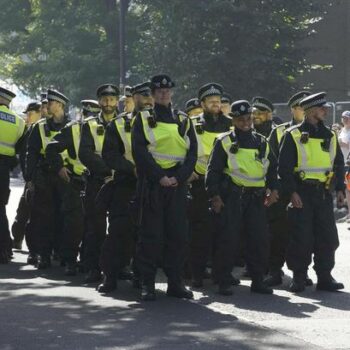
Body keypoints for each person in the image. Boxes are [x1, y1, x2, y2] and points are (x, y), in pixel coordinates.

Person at [132, 74, 197, 301]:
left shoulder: (183, 119)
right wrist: (160, 176)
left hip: (176, 185)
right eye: (159, 91)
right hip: (153, 184)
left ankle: (175, 282)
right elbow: (140, 152)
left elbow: (192, 154)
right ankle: (147, 284)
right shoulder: (142, 118)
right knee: (151, 235)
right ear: (152, 94)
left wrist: (178, 177)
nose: (164, 94)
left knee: (177, 236)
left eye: (167, 91)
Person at [206, 100, 278, 296]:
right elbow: (213, 172)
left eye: (248, 119)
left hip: (256, 199)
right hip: (233, 197)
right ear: (233, 120)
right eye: (240, 120)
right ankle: (223, 280)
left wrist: (274, 189)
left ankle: (258, 280)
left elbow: (272, 169)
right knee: (228, 240)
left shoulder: (261, 141)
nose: (246, 123)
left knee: (259, 240)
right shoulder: (225, 141)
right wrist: (215, 196)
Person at [279, 92, 345, 293]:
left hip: (323, 194)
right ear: (309, 112)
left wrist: (340, 188)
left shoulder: (330, 135)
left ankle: (324, 277)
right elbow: (283, 168)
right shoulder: (293, 135)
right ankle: (299, 277)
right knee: (302, 238)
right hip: (302, 193)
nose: (325, 111)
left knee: (328, 238)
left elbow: (338, 164)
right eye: (321, 108)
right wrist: (291, 192)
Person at [97, 81, 154, 293]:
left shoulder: (166, 122)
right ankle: (110, 275)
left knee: (147, 234)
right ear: (134, 98)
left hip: (154, 185)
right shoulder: (118, 124)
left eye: (151, 95)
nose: (148, 99)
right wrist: (132, 169)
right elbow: (109, 155)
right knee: (119, 231)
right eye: (142, 95)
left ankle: (142, 277)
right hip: (127, 184)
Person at [264, 91, 312, 286]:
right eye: (302, 107)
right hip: (283, 190)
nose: (305, 111)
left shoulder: (319, 131)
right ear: (293, 109)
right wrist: (274, 189)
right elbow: (270, 161)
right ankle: (275, 271)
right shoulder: (279, 131)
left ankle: (302, 272)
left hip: (305, 190)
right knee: (279, 233)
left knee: (304, 235)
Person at [188, 83, 232, 288]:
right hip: (201, 183)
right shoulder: (191, 124)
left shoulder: (231, 124)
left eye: (218, 101)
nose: (216, 104)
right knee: (201, 232)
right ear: (202, 103)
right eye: (211, 101)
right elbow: (185, 151)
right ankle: (197, 272)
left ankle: (222, 272)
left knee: (226, 232)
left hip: (227, 184)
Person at [25, 89, 71, 271]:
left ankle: (61, 252)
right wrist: (29, 178)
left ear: (59, 105)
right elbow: (32, 153)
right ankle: (43, 254)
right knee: (44, 217)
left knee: (65, 216)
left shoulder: (73, 126)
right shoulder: (40, 127)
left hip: (66, 176)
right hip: (44, 176)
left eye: (50, 102)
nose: (46, 105)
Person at [79, 84, 119, 283]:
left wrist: (118, 170)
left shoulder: (126, 122)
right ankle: (92, 267)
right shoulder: (90, 124)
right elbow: (85, 153)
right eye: (104, 99)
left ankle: (117, 267)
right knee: (95, 227)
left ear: (117, 101)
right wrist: (107, 170)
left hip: (121, 181)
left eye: (112, 99)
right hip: (98, 181)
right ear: (99, 101)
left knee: (120, 226)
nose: (108, 103)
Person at [45, 99, 89, 275]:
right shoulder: (73, 129)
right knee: (74, 224)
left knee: (93, 225)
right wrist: (59, 168)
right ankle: (69, 260)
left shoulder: (110, 127)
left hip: (100, 182)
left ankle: (89, 261)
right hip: (76, 181)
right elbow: (51, 149)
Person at [11, 101, 42, 252]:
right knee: (23, 210)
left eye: (30, 114)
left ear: (40, 112)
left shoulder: (43, 130)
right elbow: (20, 151)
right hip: (30, 178)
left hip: (41, 178)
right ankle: (17, 240)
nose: (27, 117)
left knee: (36, 213)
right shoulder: (29, 131)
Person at [0, 87, 26, 263]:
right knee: (1, 208)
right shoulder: (19, 121)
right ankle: (5, 248)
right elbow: (20, 149)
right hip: (4, 169)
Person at [338, 111, 350, 221]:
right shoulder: (341, 131)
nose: (345, 120)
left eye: (347, 118)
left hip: (349, 163)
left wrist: (343, 144)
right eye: (343, 118)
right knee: (346, 190)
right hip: (342, 164)